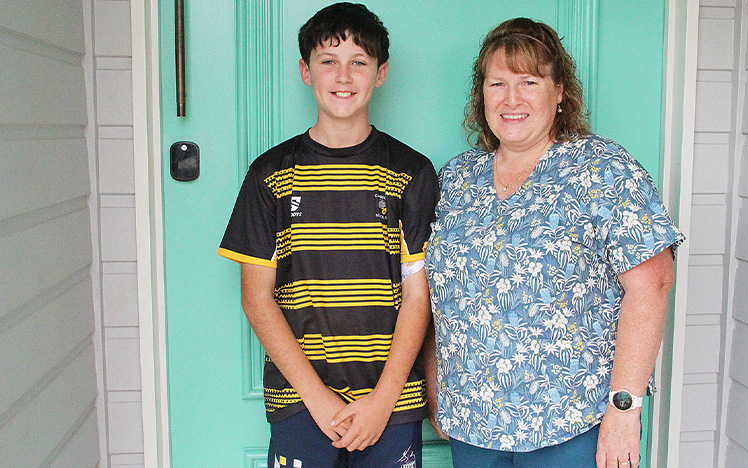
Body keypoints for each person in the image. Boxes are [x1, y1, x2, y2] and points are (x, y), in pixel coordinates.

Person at [424, 18, 685, 468]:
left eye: (529, 81)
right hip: (472, 422)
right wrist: (434, 385)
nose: (511, 99)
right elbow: (438, 295)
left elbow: (653, 284)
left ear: (559, 90)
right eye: (497, 83)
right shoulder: (456, 178)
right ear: (481, 94)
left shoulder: (602, 169)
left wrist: (625, 411)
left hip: (571, 425)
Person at [218, 3, 438, 468]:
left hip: (391, 403)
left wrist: (382, 401)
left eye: (359, 61)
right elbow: (257, 298)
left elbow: (419, 296)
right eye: (328, 61)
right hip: (301, 400)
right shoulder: (271, 175)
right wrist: (318, 399)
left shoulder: (410, 172)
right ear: (305, 71)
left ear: (380, 74)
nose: (344, 75)